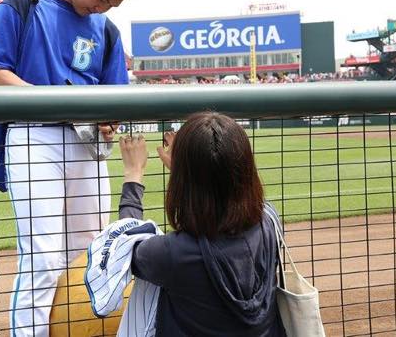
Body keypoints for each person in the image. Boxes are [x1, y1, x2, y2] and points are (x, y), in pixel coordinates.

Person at [0, 0, 143, 336]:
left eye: (110, 4)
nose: (101, 8)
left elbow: (114, 96)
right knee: (44, 258)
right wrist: (62, 105)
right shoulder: (23, 5)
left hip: (86, 145)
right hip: (34, 135)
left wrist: (107, 120)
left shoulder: (106, 29)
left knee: (91, 253)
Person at [115, 112, 285, 336]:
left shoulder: (172, 253)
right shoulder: (270, 222)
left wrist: (133, 174)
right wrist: (190, 169)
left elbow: (125, 245)